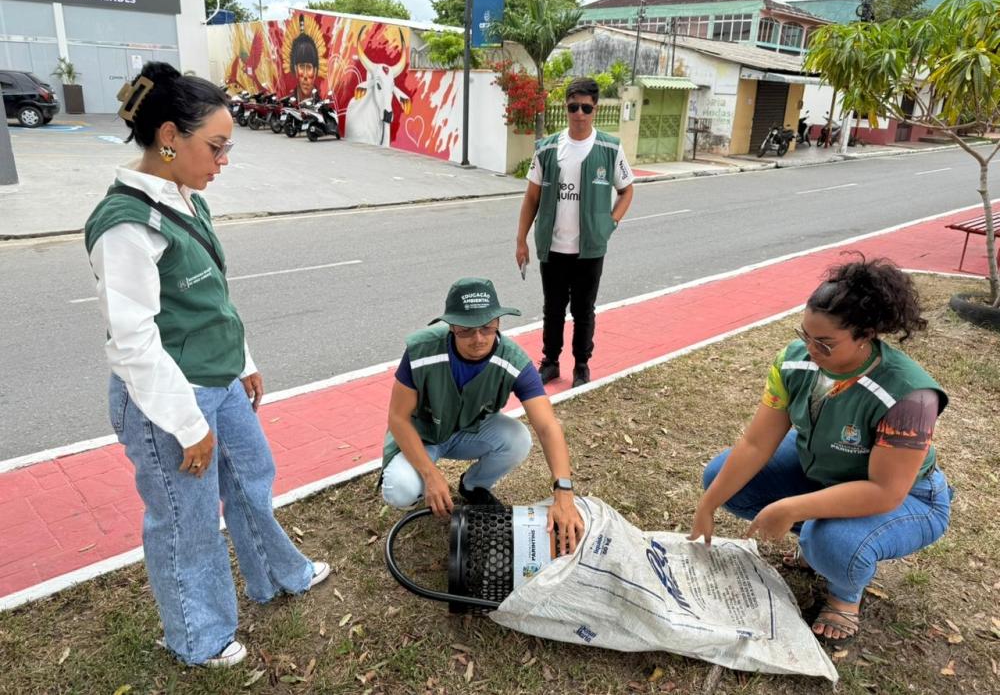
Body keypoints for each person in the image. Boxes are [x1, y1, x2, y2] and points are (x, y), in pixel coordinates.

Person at [84, 62, 329, 668]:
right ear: (170, 137)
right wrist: (188, 425)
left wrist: (242, 358)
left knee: (251, 479)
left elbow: (212, 296)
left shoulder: (186, 201)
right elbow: (135, 343)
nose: (223, 162)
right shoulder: (124, 226)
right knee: (185, 521)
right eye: (216, 148)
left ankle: (275, 575)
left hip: (219, 381)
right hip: (171, 399)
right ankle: (199, 638)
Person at [687, 257, 952, 643]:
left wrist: (791, 508)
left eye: (825, 343)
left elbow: (885, 491)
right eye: (806, 335)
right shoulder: (794, 361)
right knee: (721, 478)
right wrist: (707, 504)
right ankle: (817, 542)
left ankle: (844, 594)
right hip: (826, 467)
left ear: (866, 334)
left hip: (907, 497)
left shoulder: (910, 396)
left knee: (830, 540)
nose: (810, 349)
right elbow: (756, 442)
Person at [380, 277, 585, 554]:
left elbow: (548, 425)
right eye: (466, 330)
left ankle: (473, 486)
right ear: (451, 325)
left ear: (499, 322)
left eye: (487, 327)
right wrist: (431, 475)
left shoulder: (513, 360)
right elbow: (398, 418)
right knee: (400, 489)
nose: (478, 339)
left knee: (518, 438)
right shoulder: (422, 351)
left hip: (467, 430)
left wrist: (564, 492)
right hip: (423, 435)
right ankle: (422, 488)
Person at [516, 76, 635, 389]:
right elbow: (531, 198)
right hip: (553, 248)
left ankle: (582, 365)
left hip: (590, 248)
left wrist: (610, 223)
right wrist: (521, 240)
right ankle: (550, 362)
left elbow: (627, 191)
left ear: (594, 108)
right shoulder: (547, 148)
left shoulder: (610, 147)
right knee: (552, 309)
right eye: (573, 106)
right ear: (566, 108)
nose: (579, 113)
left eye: (585, 107)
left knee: (584, 310)